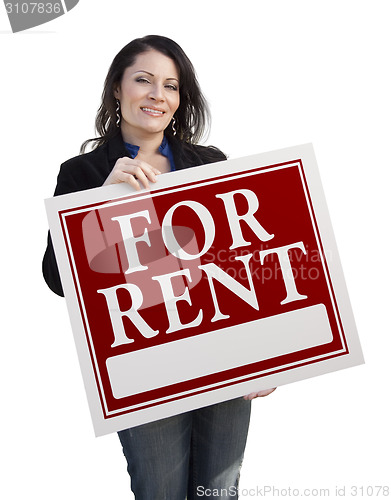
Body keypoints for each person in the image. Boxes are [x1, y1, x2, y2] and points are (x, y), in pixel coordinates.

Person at [42, 35, 275, 499]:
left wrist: (265, 356)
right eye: (143, 80)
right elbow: (57, 279)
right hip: (143, 365)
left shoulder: (209, 164)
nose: (157, 95)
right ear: (117, 89)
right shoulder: (82, 174)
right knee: (160, 492)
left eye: (170, 86)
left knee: (220, 491)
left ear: (179, 100)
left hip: (221, 356)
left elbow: (239, 265)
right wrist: (102, 202)